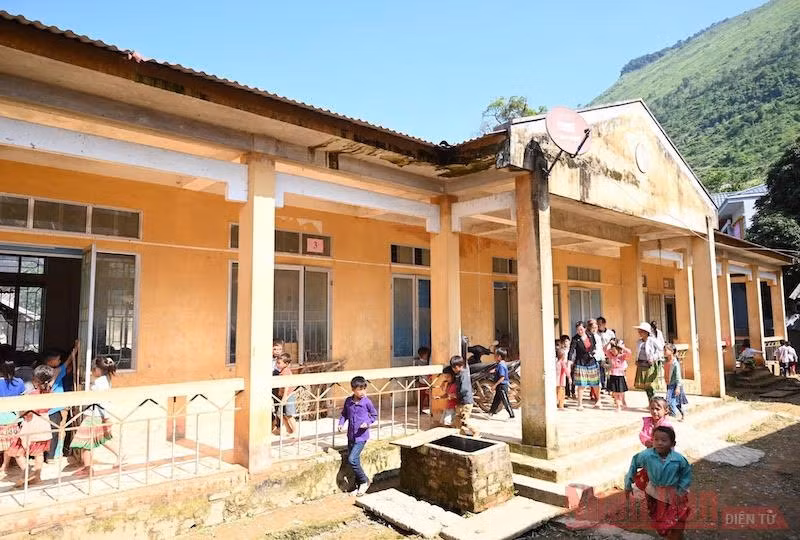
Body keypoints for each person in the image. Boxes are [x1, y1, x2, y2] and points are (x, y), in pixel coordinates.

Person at [625, 426, 691, 539]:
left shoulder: (679, 460)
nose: (659, 443)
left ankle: (677, 535)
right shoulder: (646, 456)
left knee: (677, 519)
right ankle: (668, 533)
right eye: (656, 439)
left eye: (664, 440)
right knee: (658, 517)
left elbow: (686, 475)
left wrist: (681, 490)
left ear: (673, 443)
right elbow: (634, 463)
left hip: (674, 493)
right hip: (654, 493)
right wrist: (628, 483)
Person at [70, 357, 121, 476]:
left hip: (94, 414)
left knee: (85, 441)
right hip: (97, 414)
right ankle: (120, 454)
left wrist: (107, 418)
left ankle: (88, 468)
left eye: (93, 368)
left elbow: (102, 401)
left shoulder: (100, 383)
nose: (92, 371)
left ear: (98, 369)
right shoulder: (106, 378)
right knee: (100, 438)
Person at [8, 365, 55, 486]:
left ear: (35, 380)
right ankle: (37, 476)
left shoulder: (31, 395)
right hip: (44, 423)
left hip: (31, 424)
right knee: (39, 453)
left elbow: (25, 412)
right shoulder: (51, 393)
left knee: (17, 451)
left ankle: (27, 471)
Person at [337, 376, 377, 496]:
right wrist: (341, 423)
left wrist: (367, 423)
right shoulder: (348, 401)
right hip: (351, 436)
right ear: (353, 390)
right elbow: (344, 414)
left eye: (364, 389)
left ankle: (364, 481)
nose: (362, 392)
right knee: (355, 461)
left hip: (361, 437)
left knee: (352, 459)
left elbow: (374, 415)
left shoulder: (367, 402)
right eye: (360, 389)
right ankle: (358, 485)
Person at [44, 340, 79, 462]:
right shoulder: (57, 371)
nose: (60, 361)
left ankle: (44, 455)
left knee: (46, 431)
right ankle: (54, 454)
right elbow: (69, 361)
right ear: (50, 360)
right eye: (58, 359)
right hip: (57, 406)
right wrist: (76, 348)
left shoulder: (40, 371)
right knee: (57, 430)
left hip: (45, 406)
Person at [0, 351, 25, 477]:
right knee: (11, 445)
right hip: (14, 419)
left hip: (1, 418)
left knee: (6, 445)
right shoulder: (19, 382)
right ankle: (5, 466)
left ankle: (6, 467)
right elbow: (23, 398)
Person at [568, 322, 601, 411]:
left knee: (595, 383)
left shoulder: (590, 335)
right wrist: (569, 361)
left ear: (585, 329)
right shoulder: (575, 338)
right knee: (581, 384)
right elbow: (571, 350)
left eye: (581, 329)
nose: (579, 331)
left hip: (591, 362)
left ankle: (598, 400)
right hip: (581, 363)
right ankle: (580, 404)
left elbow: (594, 346)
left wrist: (593, 352)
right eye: (578, 330)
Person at [449, 355, 479, 437]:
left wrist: (455, 395)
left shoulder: (463, 375)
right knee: (457, 421)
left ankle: (475, 431)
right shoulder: (459, 374)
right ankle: (461, 435)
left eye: (455, 367)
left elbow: (464, 389)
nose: (454, 369)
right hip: (461, 402)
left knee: (464, 421)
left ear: (461, 366)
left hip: (466, 402)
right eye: (453, 367)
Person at [273, 352, 297, 438]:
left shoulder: (286, 372)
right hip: (284, 396)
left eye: (279, 363)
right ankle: (289, 430)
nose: (277, 365)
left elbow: (287, 386)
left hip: (288, 396)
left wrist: (284, 397)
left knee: (289, 414)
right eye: (277, 363)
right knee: (282, 414)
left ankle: (295, 431)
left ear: (286, 364)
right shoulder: (282, 371)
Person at [634, 322, 659, 401]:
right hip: (641, 364)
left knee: (650, 384)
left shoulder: (652, 341)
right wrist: (636, 360)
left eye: (641, 331)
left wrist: (653, 358)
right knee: (645, 385)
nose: (639, 333)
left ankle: (653, 400)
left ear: (646, 332)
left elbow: (660, 350)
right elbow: (638, 352)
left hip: (649, 365)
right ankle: (650, 400)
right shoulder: (639, 342)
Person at [663, 344, 688, 421]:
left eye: (666, 350)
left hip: (675, 385)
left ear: (672, 351)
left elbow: (678, 377)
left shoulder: (675, 363)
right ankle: (682, 414)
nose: (664, 352)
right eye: (664, 350)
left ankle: (671, 417)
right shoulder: (665, 361)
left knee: (669, 401)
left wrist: (677, 387)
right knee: (676, 402)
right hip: (669, 384)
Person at [488, 347, 514, 419]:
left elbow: (502, 377)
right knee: (496, 400)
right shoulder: (501, 364)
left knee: (505, 401)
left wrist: (494, 385)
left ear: (499, 357)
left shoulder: (501, 365)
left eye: (495, 355)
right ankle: (491, 412)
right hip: (500, 386)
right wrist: (494, 370)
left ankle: (511, 415)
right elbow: (498, 370)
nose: (494, 357)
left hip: (502, 386)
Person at [605, 338, 630, 412]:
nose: (612, 351)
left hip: (620, 376)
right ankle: (618, 406)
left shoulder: (622, 356)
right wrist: (609, 343)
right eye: (612, 350)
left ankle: (622, 403)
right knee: (615, 392)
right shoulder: (611, 356)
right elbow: (605, 350)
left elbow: (629, 352)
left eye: (614, 350)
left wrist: (621, 346)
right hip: (613, 375)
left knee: (621, 392)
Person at [587, 319, 606, 399]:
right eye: (593, 327)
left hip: (598, 358)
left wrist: (603, 358)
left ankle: (595, 394)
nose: (594, 329)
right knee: (592, 376)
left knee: (598, 376)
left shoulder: (598, 336)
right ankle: (592, 393)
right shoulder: (588, 336)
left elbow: (600, 348)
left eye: (596, 327)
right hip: (592, 358)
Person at [597, 316, 616, 392]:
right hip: (600, 354)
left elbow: (614, 343)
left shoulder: (610, 333)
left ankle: (610, 387)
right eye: (597, 324)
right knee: (601, 371)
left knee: (609, 371)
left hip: (609, 354)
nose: (598, 325)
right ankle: (603, 386)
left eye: (600, 324)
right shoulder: (596, 333)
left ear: (604, 324)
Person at [555, 342, 569, 410]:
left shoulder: (556, 362)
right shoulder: (563, 363)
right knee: (562, 394)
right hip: (562, 382)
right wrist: (569, 377)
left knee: (557, 393)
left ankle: (557, 404)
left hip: (556, 381)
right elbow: (566, 370)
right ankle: (561, 406)